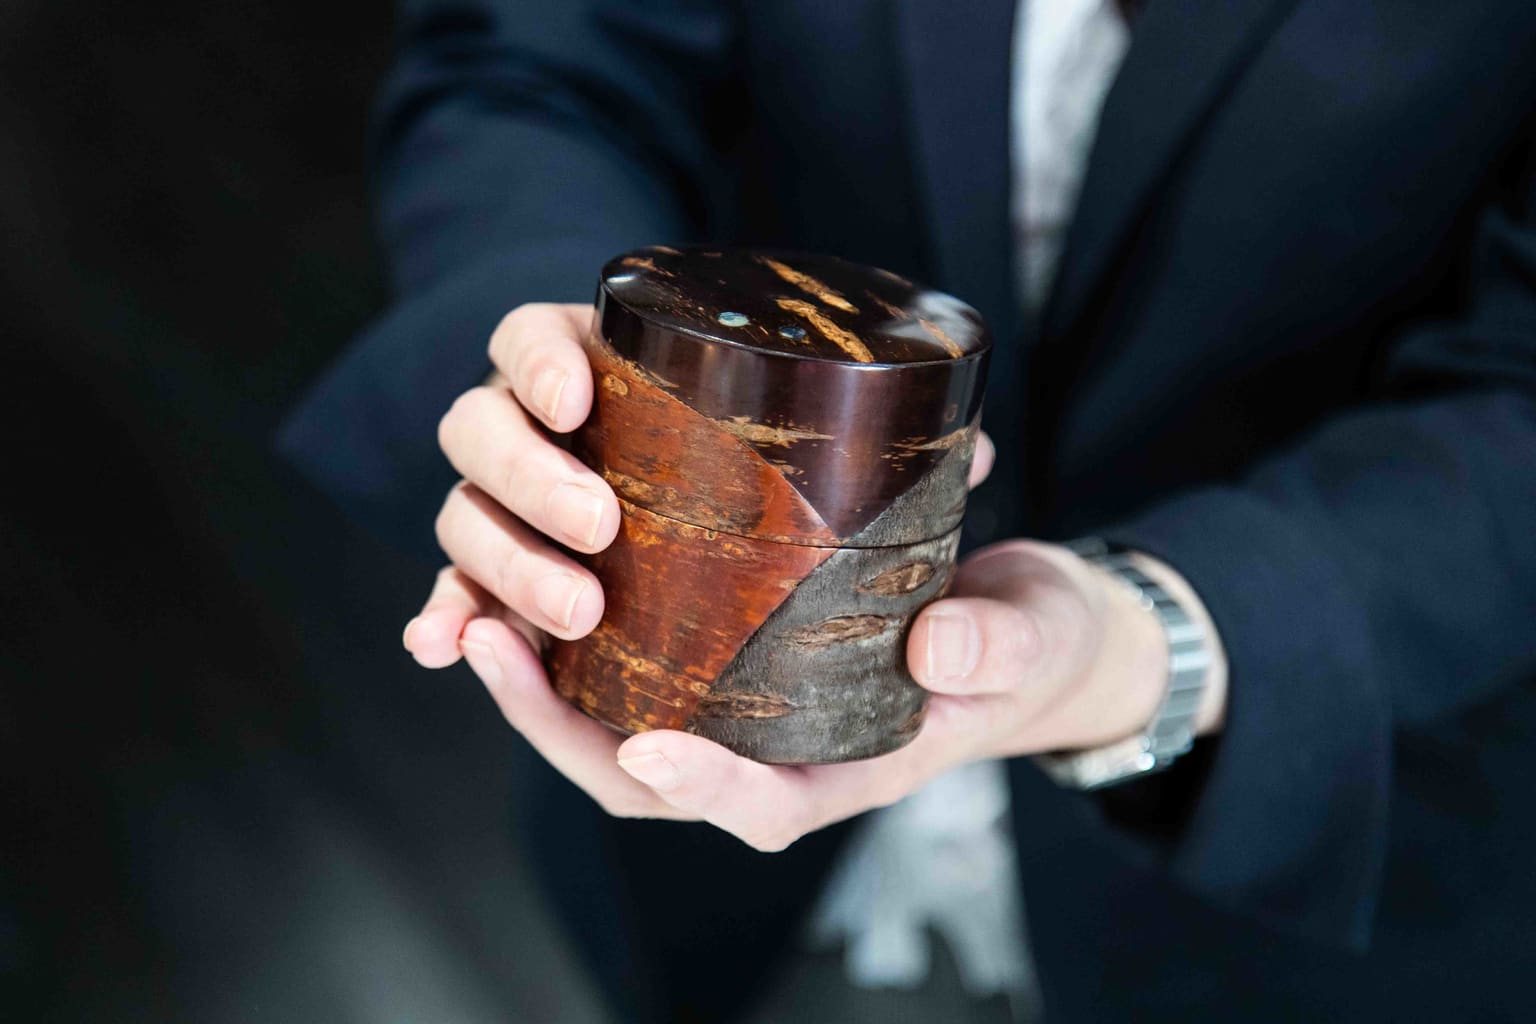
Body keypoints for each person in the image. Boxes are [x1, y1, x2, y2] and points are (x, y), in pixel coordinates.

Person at [281, 1, 1536, 1020]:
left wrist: (1164, 636)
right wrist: (564, 372)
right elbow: (535, 62)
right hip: (694, 762)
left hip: (1330, 835)